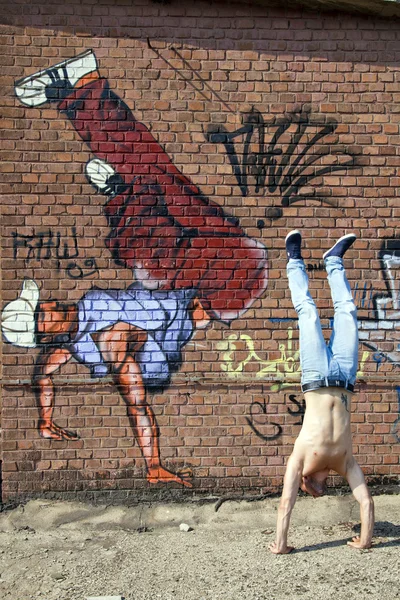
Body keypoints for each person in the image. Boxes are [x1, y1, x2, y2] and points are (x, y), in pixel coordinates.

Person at [2, 279, 212, 488]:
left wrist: (45, 420)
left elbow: (42, 371)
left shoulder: (80, 326)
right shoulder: (107, 339)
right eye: (42, 313)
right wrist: (153, 465)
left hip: (176, 297)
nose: (50, 304)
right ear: (47, 338)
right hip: (185, 314)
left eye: (42, 304)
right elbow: (137, 405)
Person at [269, 230, 374, 554]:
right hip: (345, 375)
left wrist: (281, 544)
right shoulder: (345, 462)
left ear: (307, 482)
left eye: (318, 489)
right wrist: (365, 540)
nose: (322, 489)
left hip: (315, 375)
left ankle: (295, 262)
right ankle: (334, 262)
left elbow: (286, 502)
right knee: (348, 312)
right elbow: (366, 503)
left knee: (309, 313)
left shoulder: (299, 458)